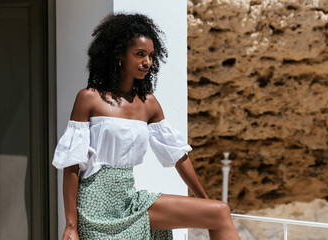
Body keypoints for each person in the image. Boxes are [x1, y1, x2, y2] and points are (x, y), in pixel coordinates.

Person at [52, 13, 240, 240]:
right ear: (119, 55)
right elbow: (72, 165)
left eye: (151, 56)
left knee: (218, 211)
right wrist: (71, 225)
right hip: (95, 206)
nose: (147, 62)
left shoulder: (149, 104)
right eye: (140, 54)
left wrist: (204, 198)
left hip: (130, 199)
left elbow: (178, 155)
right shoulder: (89, 98)